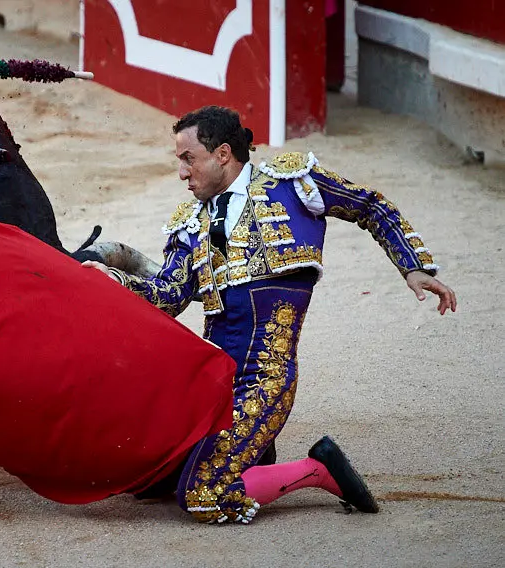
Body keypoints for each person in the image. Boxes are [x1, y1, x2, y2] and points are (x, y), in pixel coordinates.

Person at [84, 105, 457, 524]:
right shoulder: (189, 224)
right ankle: (257, 457)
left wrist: (414, 266)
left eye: (189, 159)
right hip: (211, 380)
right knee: (145, 476)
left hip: (264, 377)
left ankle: (318, 471)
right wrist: (107, 280)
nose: (182, 173)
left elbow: (368, 205)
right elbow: (168, 296)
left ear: (223, 153)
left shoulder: (292, 184)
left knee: (203, 494)